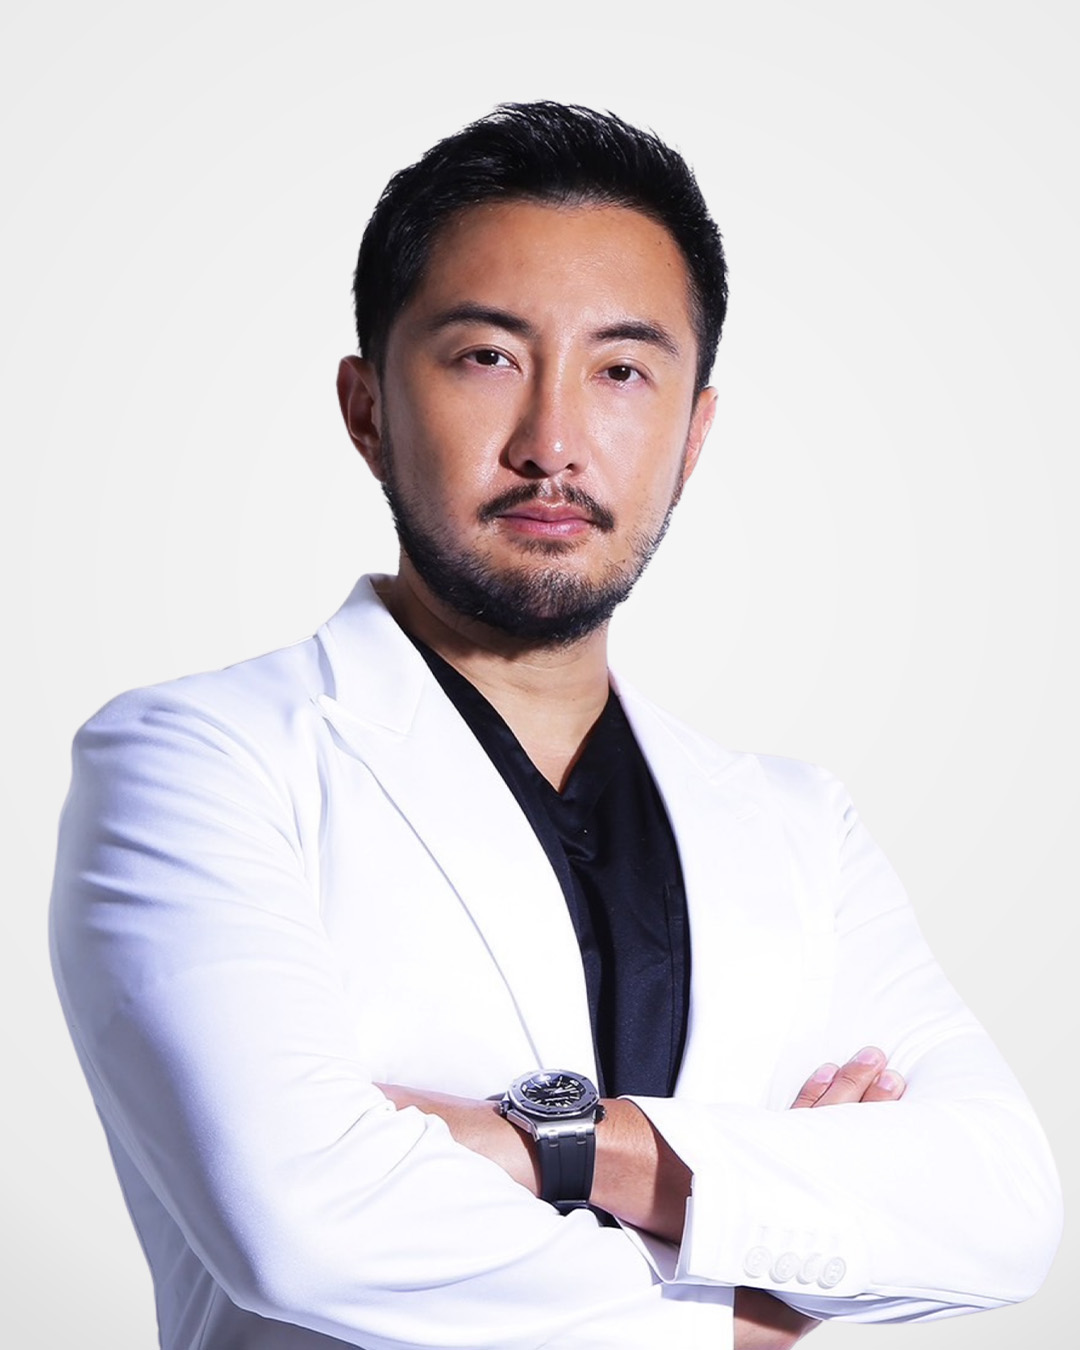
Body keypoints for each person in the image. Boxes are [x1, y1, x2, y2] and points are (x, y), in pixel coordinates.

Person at [50, 102, 1061, 1350]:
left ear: (692, 436)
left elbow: (1002, 1209)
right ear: (368, 411)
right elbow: (300, 1224)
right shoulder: (196, 760)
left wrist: (567, 1146)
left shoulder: (799, 827)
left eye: (622, 371)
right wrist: (748, 1296)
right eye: (487, 357)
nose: (554, 444)